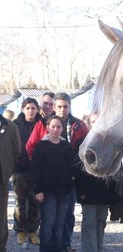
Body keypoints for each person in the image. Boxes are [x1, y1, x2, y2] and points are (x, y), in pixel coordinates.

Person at [26, 92, 88, 252]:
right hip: (47, 182)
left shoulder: (79, 125)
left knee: (66, 216)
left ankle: (64, 244)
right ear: (54, 107)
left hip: (68, 181)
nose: (62, 109)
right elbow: (30, 146)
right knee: (49, 220)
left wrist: (76, 174)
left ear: (69, 107)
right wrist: (41, 173)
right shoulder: (43, 124)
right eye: (59, 106)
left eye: (65, 106)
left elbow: (84, 150)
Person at [74, 113, 122, 252]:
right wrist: (81, 191)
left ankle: (98, 248)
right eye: (93, 121)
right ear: (89, 124)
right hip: (88, 191)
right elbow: (78, 171)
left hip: (104, 191)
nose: (97, 123)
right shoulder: (81, 143)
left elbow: (117, 167)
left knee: (101, 222)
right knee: (89, 223)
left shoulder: (111, 144)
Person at [30, 115, 75, 252]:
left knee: (60, 224)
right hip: (47, 192)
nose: (55, 129)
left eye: (58, 127)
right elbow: (35, 169)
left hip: (64, 192)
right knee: (48, 223)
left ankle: (58, 249)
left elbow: (72, 166)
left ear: (62, 129)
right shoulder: (41, 146)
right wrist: (38, 190)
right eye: (53, 126)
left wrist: (72, 180)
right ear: (48, 128)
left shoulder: (66, 146)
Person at [12, 98, 42, 245]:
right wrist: (14, 160)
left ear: (37, 109)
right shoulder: (15, 126)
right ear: (23, 109)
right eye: (28, 108)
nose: (31, 111)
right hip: (19, 170)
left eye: (33, 108)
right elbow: (8, 144)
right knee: (20, 202)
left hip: (37, 171)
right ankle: (19, 230)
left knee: (35, 202)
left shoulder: (42, 124)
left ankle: (32, 230)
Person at [0, 113, 21, 252]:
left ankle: (1, 245)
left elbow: (17, 149)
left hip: (2, 177)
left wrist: (7, 166)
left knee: (1, 213)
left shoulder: (10, 126)